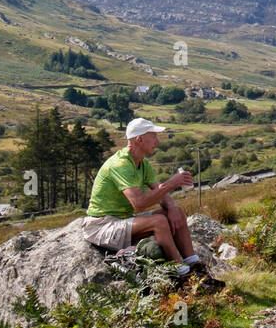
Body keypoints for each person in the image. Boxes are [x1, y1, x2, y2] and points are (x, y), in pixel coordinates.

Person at [80, 117, 202, 275]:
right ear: (139, 139)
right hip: (101, 226)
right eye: (153, 137)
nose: (157, 141)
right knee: (158, 222)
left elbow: (159, 192)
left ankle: (194, 263)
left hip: (121, 221)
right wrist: (171, 184)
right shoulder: (121, 165)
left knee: (177, 211)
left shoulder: (142, 163)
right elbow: (138, 204)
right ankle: (180, 271)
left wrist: (171, 207)